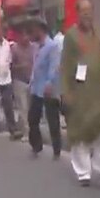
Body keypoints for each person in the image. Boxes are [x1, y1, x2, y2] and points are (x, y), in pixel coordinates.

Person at [61, 0, 100, 188]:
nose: (87, 14)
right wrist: (66, 91)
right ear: (77, 14)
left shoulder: (99, 33)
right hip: (81, 93)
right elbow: (65, 66)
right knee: (81, 133)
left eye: (89, 10)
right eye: (83, 11)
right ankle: (83, 171)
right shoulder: (71, 36)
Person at [28, 18, 62, 160]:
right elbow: (35, 66)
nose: (33, 33)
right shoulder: (37, 47)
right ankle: (37, 145)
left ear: (41, 30)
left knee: (52, 120)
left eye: (35, 30)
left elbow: (54, 65)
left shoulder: (52, 46)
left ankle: (56, 150)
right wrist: (31, 81)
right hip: (36, 88)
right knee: (33, 118)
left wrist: (50, 82)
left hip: (48, 88)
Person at [0, 23, 21, 139]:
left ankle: (13, 129)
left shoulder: (7, 45)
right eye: (1, 31)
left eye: (4, 31)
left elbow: (9, 60)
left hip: (6, 78)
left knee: (8, 103)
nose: (2, 33)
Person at [11, 27, 36, 141]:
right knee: (23, 107)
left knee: (31, 108)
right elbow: (11, 66)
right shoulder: (14, 49)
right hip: (19, 81)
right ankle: (26, 133)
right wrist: (21, 66)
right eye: (22, 36)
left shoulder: (34, 48)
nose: (25, 38)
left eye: (27, 36)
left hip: (32, 80)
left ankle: (26, 129)